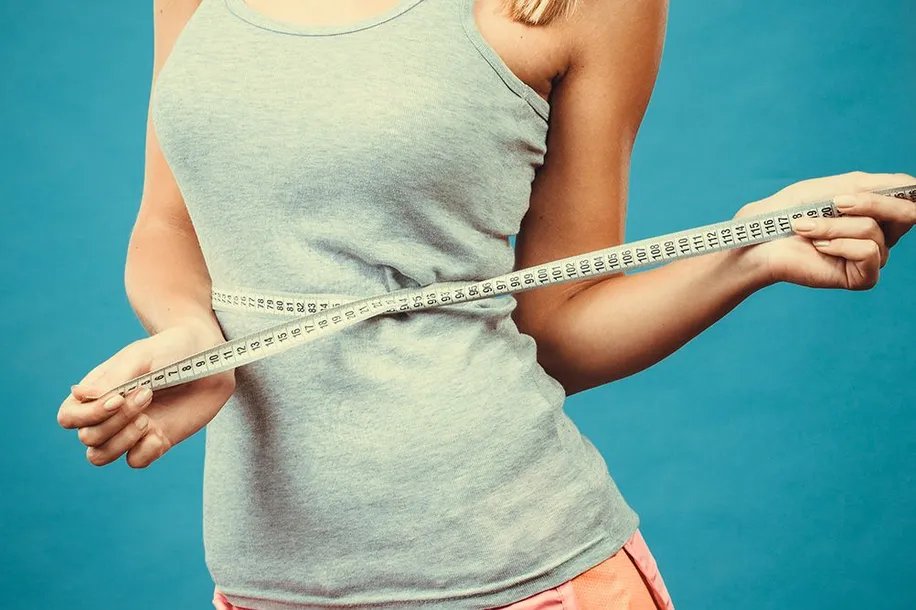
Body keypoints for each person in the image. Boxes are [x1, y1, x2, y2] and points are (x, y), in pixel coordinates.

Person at [56, 0, 915, 608]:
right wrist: (193, 339)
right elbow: (166, 223)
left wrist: (744, 253)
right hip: (266, 578)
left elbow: (562, 325)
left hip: (522, 576)